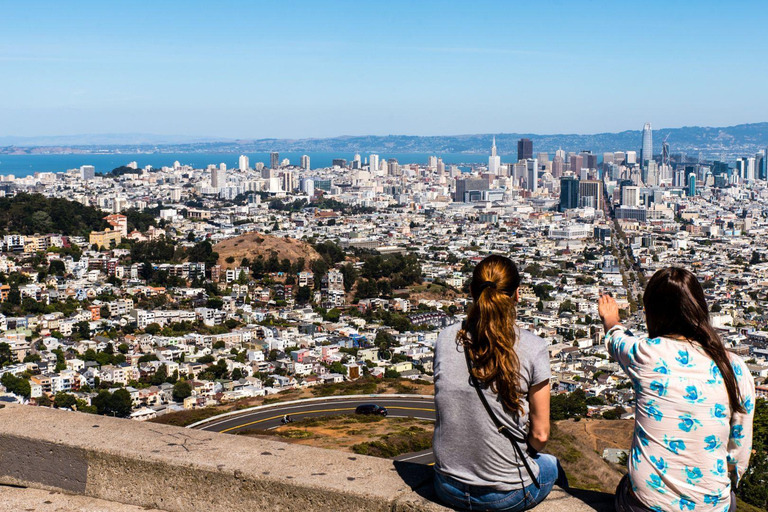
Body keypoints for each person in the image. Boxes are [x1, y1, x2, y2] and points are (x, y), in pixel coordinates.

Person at [598, 267, 755, 512]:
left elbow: (615, 338)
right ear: (700, 309)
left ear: (653, 313)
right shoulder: (734, 368)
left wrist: (610, 318)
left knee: (623, 485)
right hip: (712, 505)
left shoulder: (645, 354)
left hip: (646, 505)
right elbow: (739, 450)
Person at [433, 255, 567, 512]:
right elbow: (540, 435)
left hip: (446, 486)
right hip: (506, 495)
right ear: (518, 295)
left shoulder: (445, 338)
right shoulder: (533, 348)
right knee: (551, 465)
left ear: (472, 291)